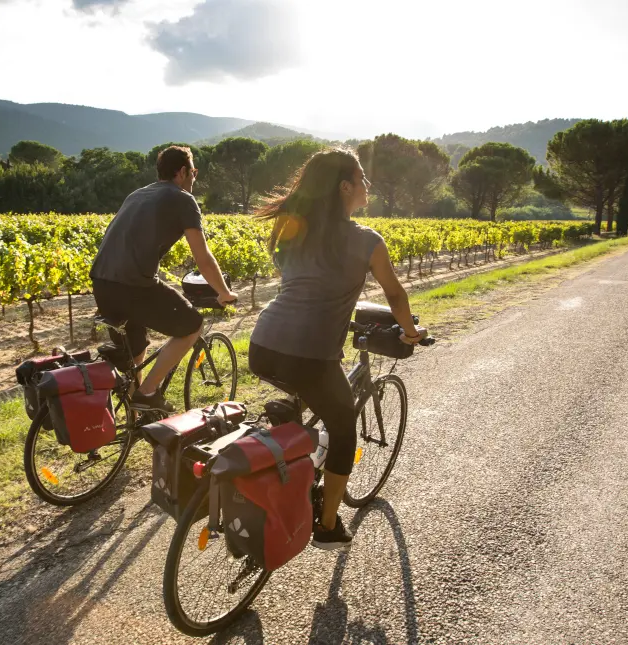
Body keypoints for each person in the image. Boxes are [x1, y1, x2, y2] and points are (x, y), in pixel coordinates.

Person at [249, 149, 425, 551]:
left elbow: (303, 286)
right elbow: (395, 296)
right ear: (345, 187)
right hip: (309, 355)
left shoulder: (295, 227)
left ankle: (288, 426)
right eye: (362, 178)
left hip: (263, 345)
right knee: (343, 427)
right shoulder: (366, 240)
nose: (368, 184)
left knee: (306, 392)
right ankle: (327, 525)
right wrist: (411, 331)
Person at [90, 146, 237, 412]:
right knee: (192, 324)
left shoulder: (137, 194)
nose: (194, 178)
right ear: (182, 172)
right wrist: (223, 292)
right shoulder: (182, 199)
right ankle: (147, 392)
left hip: (101, 282)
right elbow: (202, 257)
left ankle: (136, 414)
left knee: (137, 345)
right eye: (193, 172)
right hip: (133, 285)